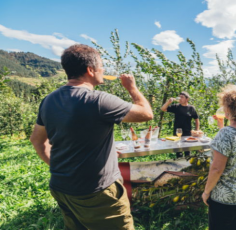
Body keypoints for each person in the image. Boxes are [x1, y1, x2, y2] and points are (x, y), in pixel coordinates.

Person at [30, 44, 153, 230]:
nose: (103, 70)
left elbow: (37, 140)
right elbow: (146, 114)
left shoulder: (49, 100)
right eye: (101, 66)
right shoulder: (99, 100)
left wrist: (61, 169)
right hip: (97, 192)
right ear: (90, 70)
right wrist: (132, 88)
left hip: (61, 187)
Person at [202, 85, 236, 230]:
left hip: (226, 196)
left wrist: (206, 192)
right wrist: (222, 126)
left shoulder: (226, 134)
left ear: (227, 108)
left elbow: (216, 169)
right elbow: (233, 146)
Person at [160, 92, 199, 158]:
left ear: (187, 99)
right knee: (178, 153)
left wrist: (197, 130)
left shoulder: (191, 108)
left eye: (182, 97)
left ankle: (188, 166)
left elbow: (196, 119)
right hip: (177, 133)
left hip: (187, 133)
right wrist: (168, 102)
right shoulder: (176, 107)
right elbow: (163, 109)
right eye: (179, 97)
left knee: (187, 153)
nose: (180, 98)